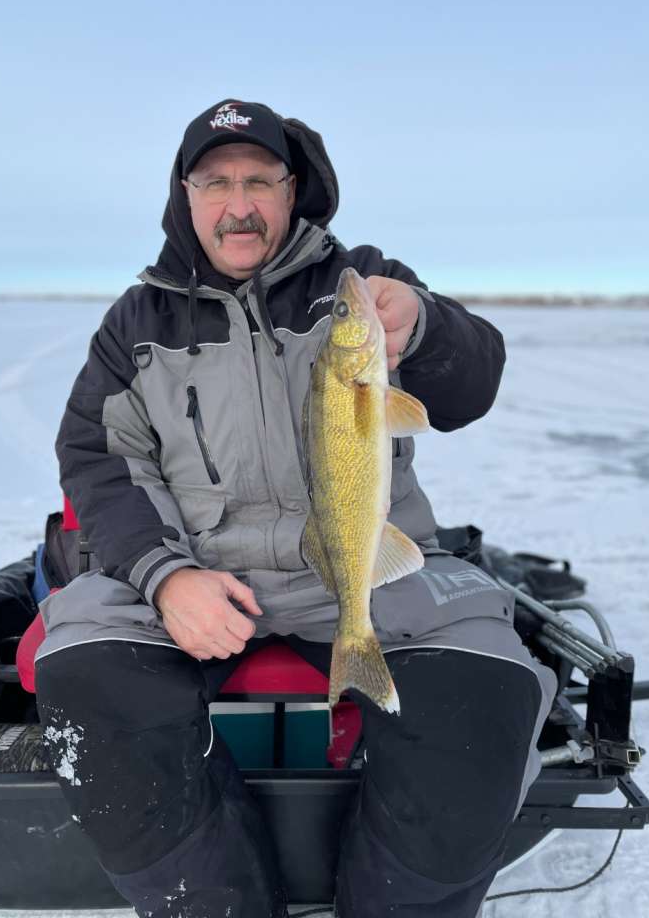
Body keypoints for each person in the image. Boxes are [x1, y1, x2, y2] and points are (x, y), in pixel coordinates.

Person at [35, 99, 557, 918]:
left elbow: (473, 383)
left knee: (488, 683)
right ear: (186, 194)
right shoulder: (135, 324)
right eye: (217, 182)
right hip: (200, 577)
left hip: (365, 567)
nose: (238, 204)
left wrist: (421, 326)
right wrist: (167, 578)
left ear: (292, 189)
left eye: (259, 180)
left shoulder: (359, 282)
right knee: (84, 669)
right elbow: (97, 459)